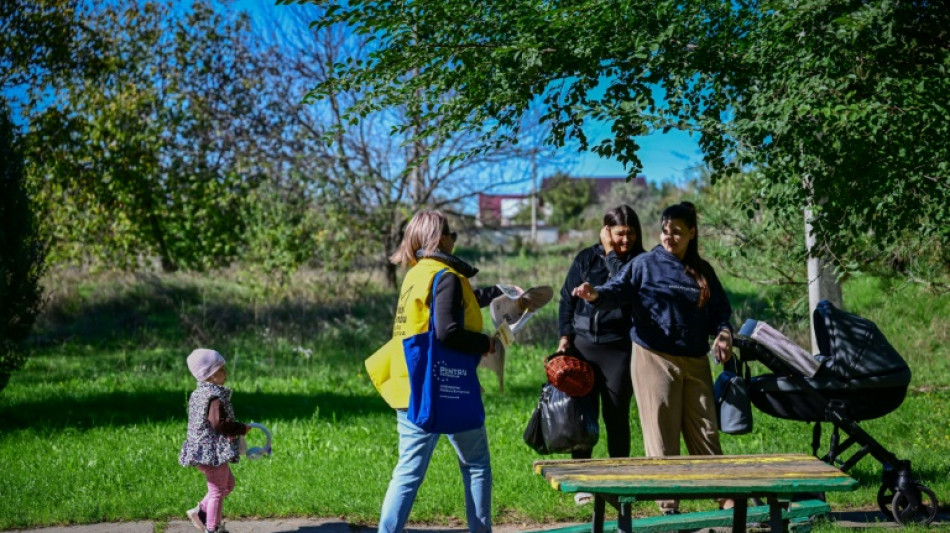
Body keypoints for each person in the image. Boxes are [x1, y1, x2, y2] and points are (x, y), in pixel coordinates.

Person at [572, 201, 734, 515]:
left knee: (705, 430)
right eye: (664, 230)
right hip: (653, 357)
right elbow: (617, 290)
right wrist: (595, 294)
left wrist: (724, 333)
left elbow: (720, 313)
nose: (669, 237)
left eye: (677, 232)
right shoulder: (645, 264)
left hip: (695, 360)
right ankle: (668, 504)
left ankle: (726, 497)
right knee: (662, 433)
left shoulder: (702, 271)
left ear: (692, 233)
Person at [374, 209, 513, 533]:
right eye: (453, 234)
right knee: (476, 465)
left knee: (408, 472)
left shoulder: (418, 273)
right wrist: (484, 344)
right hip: (444, 389)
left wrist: (498, 292)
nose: (455, 240)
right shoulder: (446, 276)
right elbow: (447, 330)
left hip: (409, 384)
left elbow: (454, 304)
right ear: (442, 238)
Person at [556, 205, 645, 504]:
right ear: (606, 230)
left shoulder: (639, 262)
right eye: (620, 234)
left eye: (631, 234)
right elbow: (566, 299)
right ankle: (583, 483)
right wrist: (565, 336)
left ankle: (618, 481)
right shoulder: (585, 258)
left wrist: (611, 254)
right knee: (582, 415)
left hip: (618, 348)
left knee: (616, 415)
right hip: (583, 347)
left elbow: (625, 290)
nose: (625, 240)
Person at [179, 348, 251, 533]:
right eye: (221, 370)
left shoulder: (198, 393)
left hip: (202, 450)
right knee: (218, 490)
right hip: (210, 453)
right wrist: (242, 428)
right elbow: (219, 424)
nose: (225, 373)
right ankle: (213, 528)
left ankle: (200, 511)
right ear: (210, 375)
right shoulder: (214, 397)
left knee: (227, 485)